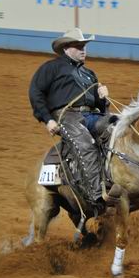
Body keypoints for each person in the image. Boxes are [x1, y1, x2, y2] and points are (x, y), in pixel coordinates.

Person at [29, 28, 119, 210]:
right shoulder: (51, 68)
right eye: (78, 46)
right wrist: (48, 120)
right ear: (66, 48)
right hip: (66, 116)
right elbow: (35, 92)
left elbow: (101, 109)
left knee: (119, 128)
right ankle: (97, 195)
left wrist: (102, 98)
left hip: (92, 116)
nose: (83, 50)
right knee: (85, 144)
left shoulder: (89, 74)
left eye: (84, 46)